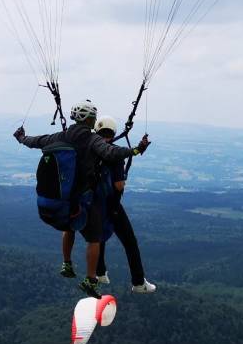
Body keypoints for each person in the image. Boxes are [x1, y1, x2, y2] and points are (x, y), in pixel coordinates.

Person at [14, 99, 150, 297]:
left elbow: (36, 141)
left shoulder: (60, 136)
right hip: (84, 199)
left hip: (65, 200)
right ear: (90, 119)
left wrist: (21, 138)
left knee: (68, 227)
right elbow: (111, 152)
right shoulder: (92, 139)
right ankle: (91, 279)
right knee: (94, 238)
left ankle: (67, 264)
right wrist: (136, 150)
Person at [93, 116, 156, 294]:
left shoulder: (92, 150)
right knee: (130, 241)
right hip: (111, 203)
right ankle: (138, 282)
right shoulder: (114, 153)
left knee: (99, 234)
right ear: (112, 133)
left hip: (92, 202)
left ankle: (100, 272)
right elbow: (118, 185)